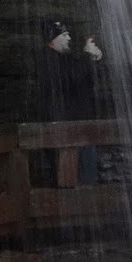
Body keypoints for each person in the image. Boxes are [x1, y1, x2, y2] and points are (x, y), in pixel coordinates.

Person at [37, 19, 105, 184]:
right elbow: (71, 77)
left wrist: (94, 60)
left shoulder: (64, 60)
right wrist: (88, 56)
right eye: (64, 35)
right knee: (73, 179)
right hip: (66, 131)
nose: (69, 38)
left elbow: (82, 79)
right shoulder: (47, 61)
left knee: (85, 177)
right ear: (53, 40)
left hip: (80, 128)